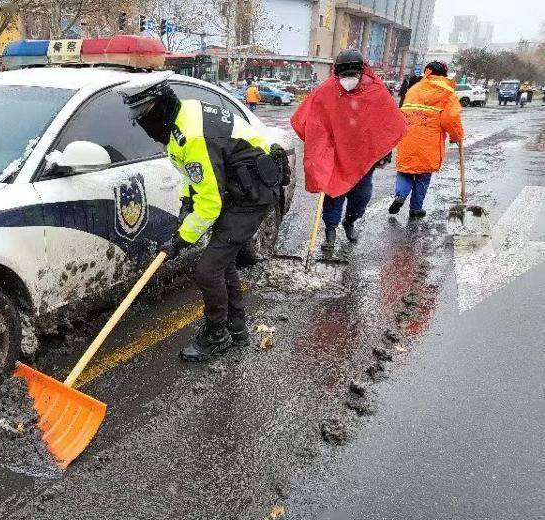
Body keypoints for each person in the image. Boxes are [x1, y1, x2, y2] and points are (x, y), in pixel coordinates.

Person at [117, 72, 289, 362]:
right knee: (223, 263)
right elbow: (195, 174)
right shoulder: (181, 119)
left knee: (208, 269)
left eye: (147, 114)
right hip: (238, 187)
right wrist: (187, 201)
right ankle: (236, 329)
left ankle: (216, 335)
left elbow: (210, 202)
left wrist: (181, 240)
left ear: (162, 103)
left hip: (253, 193)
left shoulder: (193, 135)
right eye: (139, 117)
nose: (145, 124)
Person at [291, 49, 406, 250]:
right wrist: (320, 145)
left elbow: (388, 123)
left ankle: (350, 221)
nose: (348, 79)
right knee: (334, 193)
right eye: (344, 75)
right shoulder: (326, 90)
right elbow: (307, 119)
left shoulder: (376, 91)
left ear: (361, 71)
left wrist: (384, 152)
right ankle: (330, 231)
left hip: (363, 153)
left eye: (352, 74)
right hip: (335, 154)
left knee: (361, 195)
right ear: (337, 72)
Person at [390, 61, 464, 218]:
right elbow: (450, 118)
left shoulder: (414, 88)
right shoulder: (447, 92)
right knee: (423, 176)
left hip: (407, 137)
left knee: (405, 170)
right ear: (444, 74)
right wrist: (456, 136)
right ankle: (416, 208)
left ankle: (400, 195)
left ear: (427, 72)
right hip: (428, 142)